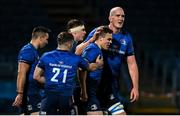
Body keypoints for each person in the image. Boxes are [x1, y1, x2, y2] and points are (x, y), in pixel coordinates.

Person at [83, 6, 139, 115]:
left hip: (111, 87)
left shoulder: (126, 37)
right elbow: (80, 52)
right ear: (110, 18)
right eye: (118, 15)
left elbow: (132, 64)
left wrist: (135, 87)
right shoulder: (99, 32)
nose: (121, 18)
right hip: (94, 86)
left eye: (123, 16)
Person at [33, 32, 90, 115]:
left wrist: (51, 82)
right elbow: (88, 67)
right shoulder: (76, 58)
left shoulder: (46, 56)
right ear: (70, 43)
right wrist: (98, 64)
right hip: (66, 97)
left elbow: (36, 76)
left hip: (49, 97)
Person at [66, 19, 103, 115]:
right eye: (82, 29)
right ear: (73, 31)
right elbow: (77, 55)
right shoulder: (70, 44)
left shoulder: (70, 44)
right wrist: (97, 65)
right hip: (65, 90)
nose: (85, 32)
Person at [12, 26, 51, 115]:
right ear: (40, 38)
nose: (47, 42)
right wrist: (20, 93)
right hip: (30, 93)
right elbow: (21, 73)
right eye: (46, 39)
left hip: (32, 92)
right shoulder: (27, 50)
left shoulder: (33, 51)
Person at [81, 26, 113, 115]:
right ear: (101, 38)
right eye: (109, 39)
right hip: (88, 93)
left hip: (93, 92)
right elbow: (81, 68)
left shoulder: (98, 50)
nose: (110, 42)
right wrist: (83, 91)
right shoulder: (92, 49)